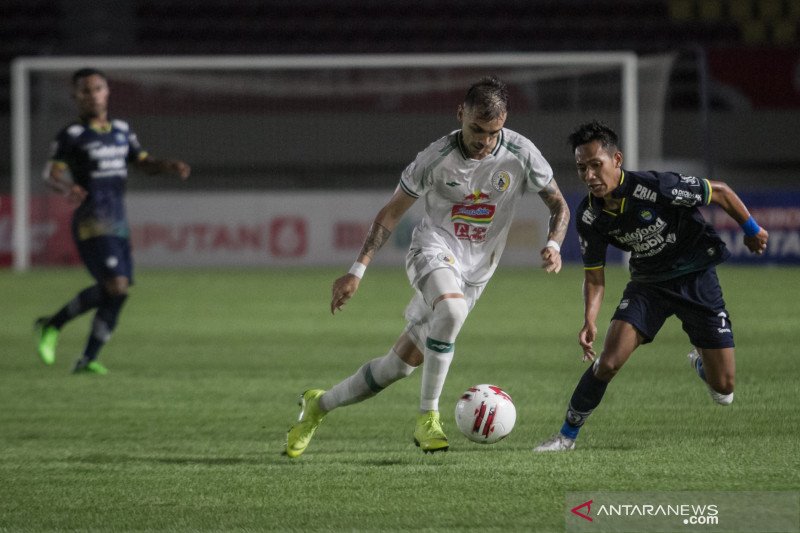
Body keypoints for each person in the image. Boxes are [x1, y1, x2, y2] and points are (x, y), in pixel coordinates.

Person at [285, 76, 570, 457]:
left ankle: (318, 405)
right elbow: (390, 214)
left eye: (492, 132)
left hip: (477, 272)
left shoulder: (521, 153)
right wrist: (357, 271)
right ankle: (427, 417)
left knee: (396, 368)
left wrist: (553, 243)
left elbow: (559, 205)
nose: (483, 141)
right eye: (475, 129)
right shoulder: (435, 158)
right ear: (460, 115)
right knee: (450, 309)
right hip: (432, 249)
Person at [533, 121, 769, 452]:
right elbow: (594, 276)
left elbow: (722, 192)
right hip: (648, 285)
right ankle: (565, 436)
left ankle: (701, 362)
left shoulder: (657, 186)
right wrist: (590, 319)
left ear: (616, 159)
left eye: (595, 165)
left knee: (724, 390)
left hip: (695, 277)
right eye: (581, 168)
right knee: (608, 362)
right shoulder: (589, 215)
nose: (588, 175)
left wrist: (752, 229)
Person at [35, 67, 191, 374]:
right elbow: (51, 174)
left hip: (118, 220)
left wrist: (167, 165)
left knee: (119, 291)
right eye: (85, 90)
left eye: (97, 88)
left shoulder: (121, 129)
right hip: (92, 220)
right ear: (75, 97)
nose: (92, 95)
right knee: (116, 285)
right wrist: (69, 186)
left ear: (107, 92)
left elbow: (142, 163)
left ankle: (87, 359)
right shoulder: (72, 135)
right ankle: (51, 325)